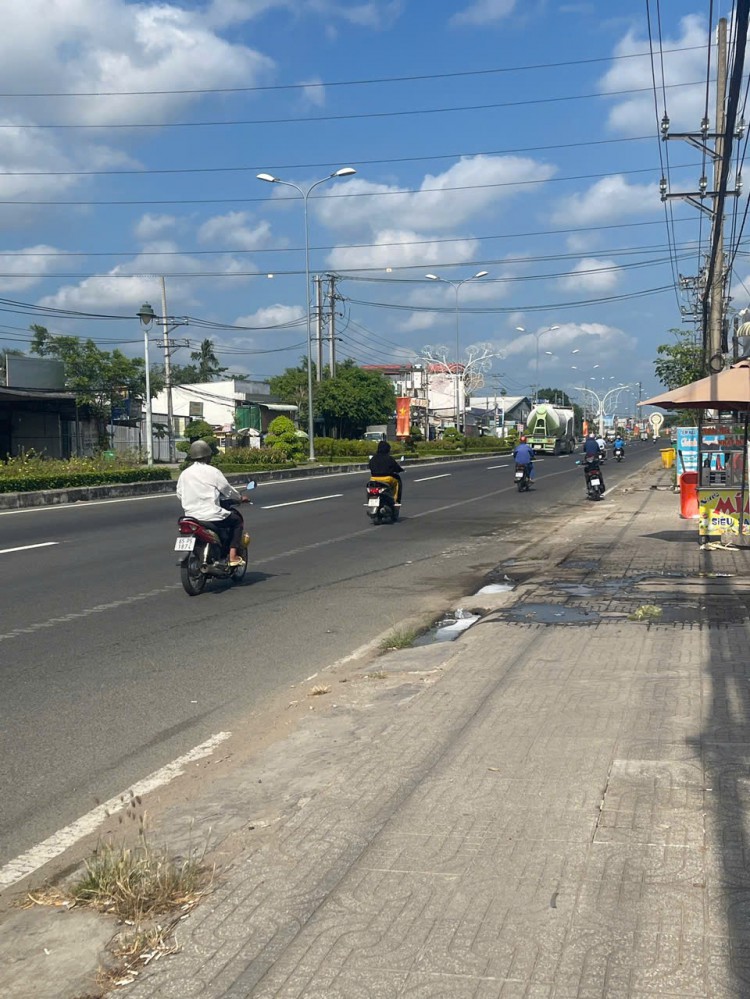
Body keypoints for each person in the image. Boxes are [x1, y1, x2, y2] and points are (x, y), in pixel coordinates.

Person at [176, 440, 247, 567]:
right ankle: (232, 556)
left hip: (191, 516)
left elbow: (179, 494)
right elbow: (227, 490)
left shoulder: (184, 473)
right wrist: (240, 498)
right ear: (208, 455)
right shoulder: (213, 472)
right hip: (211, 514)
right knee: (237, 521)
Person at [368, 440, 404, 504]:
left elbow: (370, 466)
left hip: (374, 479)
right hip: (387, 479)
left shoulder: (373, 458)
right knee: (397, 482)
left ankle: (371, 499)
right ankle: (396, 501)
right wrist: (401, 469)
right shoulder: (389, 458)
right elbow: (396, 467)